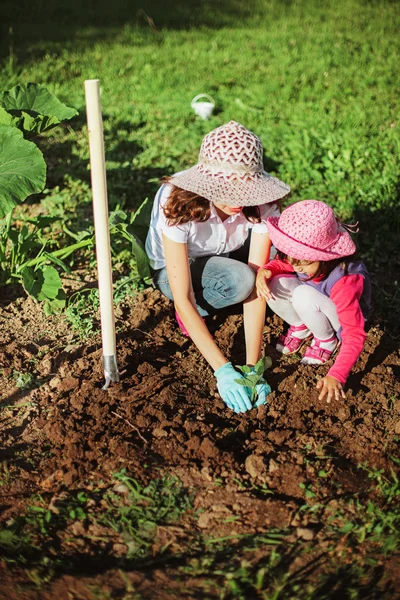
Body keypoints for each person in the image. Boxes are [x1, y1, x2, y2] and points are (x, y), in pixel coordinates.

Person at [145, 121, 290, 413]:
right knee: (237, 280)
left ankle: (216, 301)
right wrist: (222, 369)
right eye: (228, 190)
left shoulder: (261, 203)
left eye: (245, 190)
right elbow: (183, 296)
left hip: (226, 252)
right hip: (176, 266)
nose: (239, 200)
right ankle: (200, 315)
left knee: (262, 277)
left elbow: (257, 291)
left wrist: (253, 368)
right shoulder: (177, 203)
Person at [256, 200, 371, 403]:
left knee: (302, 294)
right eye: (289, 256)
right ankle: (301, 327)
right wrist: (267, 270)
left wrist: (337, 374)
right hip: (314, 301)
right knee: (275, 282)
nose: (295, 265)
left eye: (303, 260)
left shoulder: (343, 281)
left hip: (340, 319)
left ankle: (326, 339)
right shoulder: (298, 260)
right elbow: (283, 264)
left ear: (325, 257)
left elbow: (354, 334)